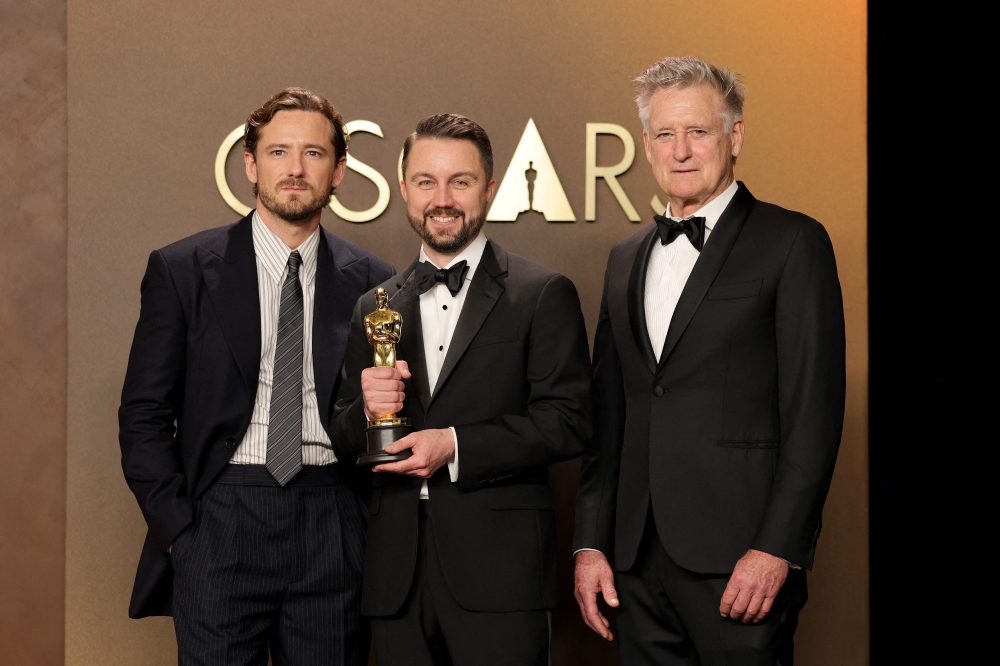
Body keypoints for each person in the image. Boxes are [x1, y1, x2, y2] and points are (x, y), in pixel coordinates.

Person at [572, 56, 846, 666]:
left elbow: (815, 415)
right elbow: (608, 423)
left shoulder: (793, 242)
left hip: (742, 562)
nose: (682, 151)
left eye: (699, 132)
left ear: (735, 136)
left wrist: (777, 549)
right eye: (665, 135)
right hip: (635, 566)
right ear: (646, 145)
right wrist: (590, 546)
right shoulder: (624, 258)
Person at [118, 87, 395, 665]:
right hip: (220, 519)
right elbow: (143, 416)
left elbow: (379, 417)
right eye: (278, 152)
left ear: (340, 170)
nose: (295, 169)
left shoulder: (375, 282)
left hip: (332, 519)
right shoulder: (182, 270)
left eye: (314, 154)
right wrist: (180, 533)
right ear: (250, 163)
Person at [330, 114, 592, 666]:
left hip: (502, 575)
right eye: (426, 181)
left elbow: (569, 420)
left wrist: (454, 445)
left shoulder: (542, 293)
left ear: (490, 190)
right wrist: (366, 411)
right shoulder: (374, 305)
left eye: (461, 181)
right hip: (395, 574)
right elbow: (346, 432)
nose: (442, 198)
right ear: (404, 189)